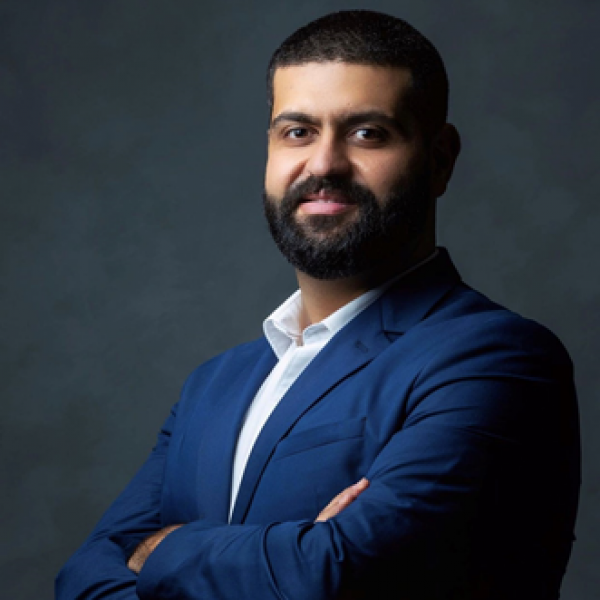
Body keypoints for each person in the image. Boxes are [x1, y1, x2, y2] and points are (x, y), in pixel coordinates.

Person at [56, 10, 580, 600]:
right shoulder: (213, 386)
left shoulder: (498, 359)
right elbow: (81, 580)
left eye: (367, 133)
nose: (325, 164)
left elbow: (332, 574)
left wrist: (161, 550)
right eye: (298, 132)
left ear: (439, 160)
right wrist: (296, 549)